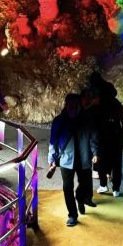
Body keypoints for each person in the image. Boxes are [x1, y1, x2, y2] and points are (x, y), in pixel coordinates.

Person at [48, 93, 98, 226]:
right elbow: (53, 141)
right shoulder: (59, 121)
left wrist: (95, 153)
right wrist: (51, 158)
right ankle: (72, 215)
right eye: (70, 105)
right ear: (66, 105)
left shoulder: (87, 119)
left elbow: (93, 137)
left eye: (75, 105)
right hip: (66, 159)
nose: (73, 107)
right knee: (67, 187)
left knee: (85, 184)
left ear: (79, 105)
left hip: (84, 157)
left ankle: (80, 197)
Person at [92, 73, 123, 196]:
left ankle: (103, 185)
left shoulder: (98, 105)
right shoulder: (116, 104)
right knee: (117, 163)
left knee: (101, 161)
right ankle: (116, 189)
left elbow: (94, 124)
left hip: (102, 138)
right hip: (116, 136)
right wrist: (122, 133)